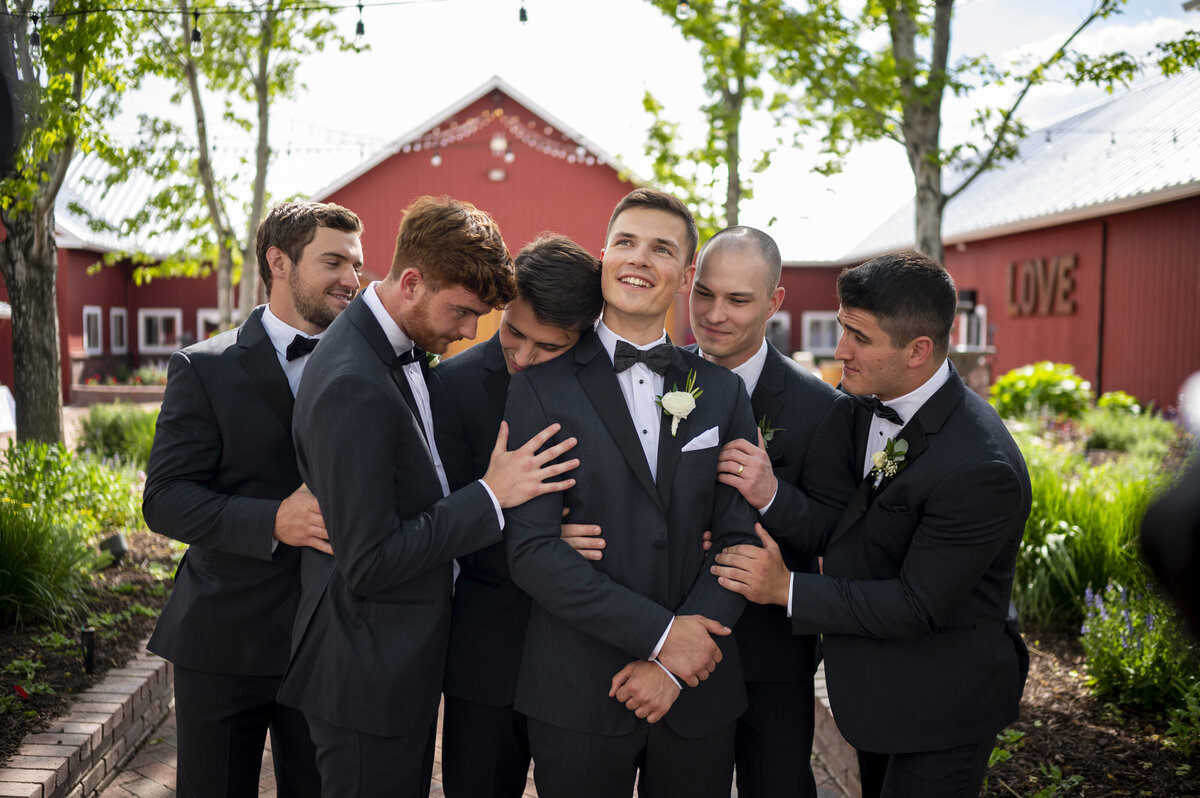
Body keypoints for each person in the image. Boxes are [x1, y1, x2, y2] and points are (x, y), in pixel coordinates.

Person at [277, 195, 580, 797]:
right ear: (411, 282)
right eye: (464, 312)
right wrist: (491, 497)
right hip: (366, 672)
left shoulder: (383, 352)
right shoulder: (352, 381)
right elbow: (370, 562)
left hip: (392, 666)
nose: (471, 333)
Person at [712, 250, 1032, 798]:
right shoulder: (860, 406)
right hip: (876, 696)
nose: (841, 352)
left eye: (858, 337)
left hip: (944, 704)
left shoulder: (982, 468)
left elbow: (916, 605)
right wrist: (769, 494)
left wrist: (786, 589)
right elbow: (840, 531)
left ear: (918, 351)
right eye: (842, 330)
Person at [503, 188, 760, 798]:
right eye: (626, 243)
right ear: (604, 257)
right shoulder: (538, 389)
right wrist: (663, 637)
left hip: (697, 689)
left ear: (684, 275)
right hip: (578, 691)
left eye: (661, 249)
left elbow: (738, 540)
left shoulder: (722, 394)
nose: (639, 259)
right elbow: (533, 552)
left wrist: (676, 662)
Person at [143, 200, 364, 798]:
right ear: (279, 262)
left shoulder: (378, 368)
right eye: (334, 262)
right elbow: (164, 499)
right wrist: (273, 520)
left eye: (357, 265)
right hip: (224, 638)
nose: (352, 279)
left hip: (328, 644)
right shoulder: (203, 367)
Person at [431, 233, 605, 798]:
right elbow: (439, 525)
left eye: (548, 347)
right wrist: (540, 542)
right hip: (486, 654)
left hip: (586, 655)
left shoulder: (610, 388)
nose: (523, 358)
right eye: (513, 333)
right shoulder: (449, 388)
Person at [687, 226, 856, 798]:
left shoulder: (823, 408)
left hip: (770, 653)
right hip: (676, 636)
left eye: (737, 300)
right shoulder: (658, 379)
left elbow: (834, 531)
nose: (714, 314)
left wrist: (771, 495)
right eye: (704, 293)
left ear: (774, 303)